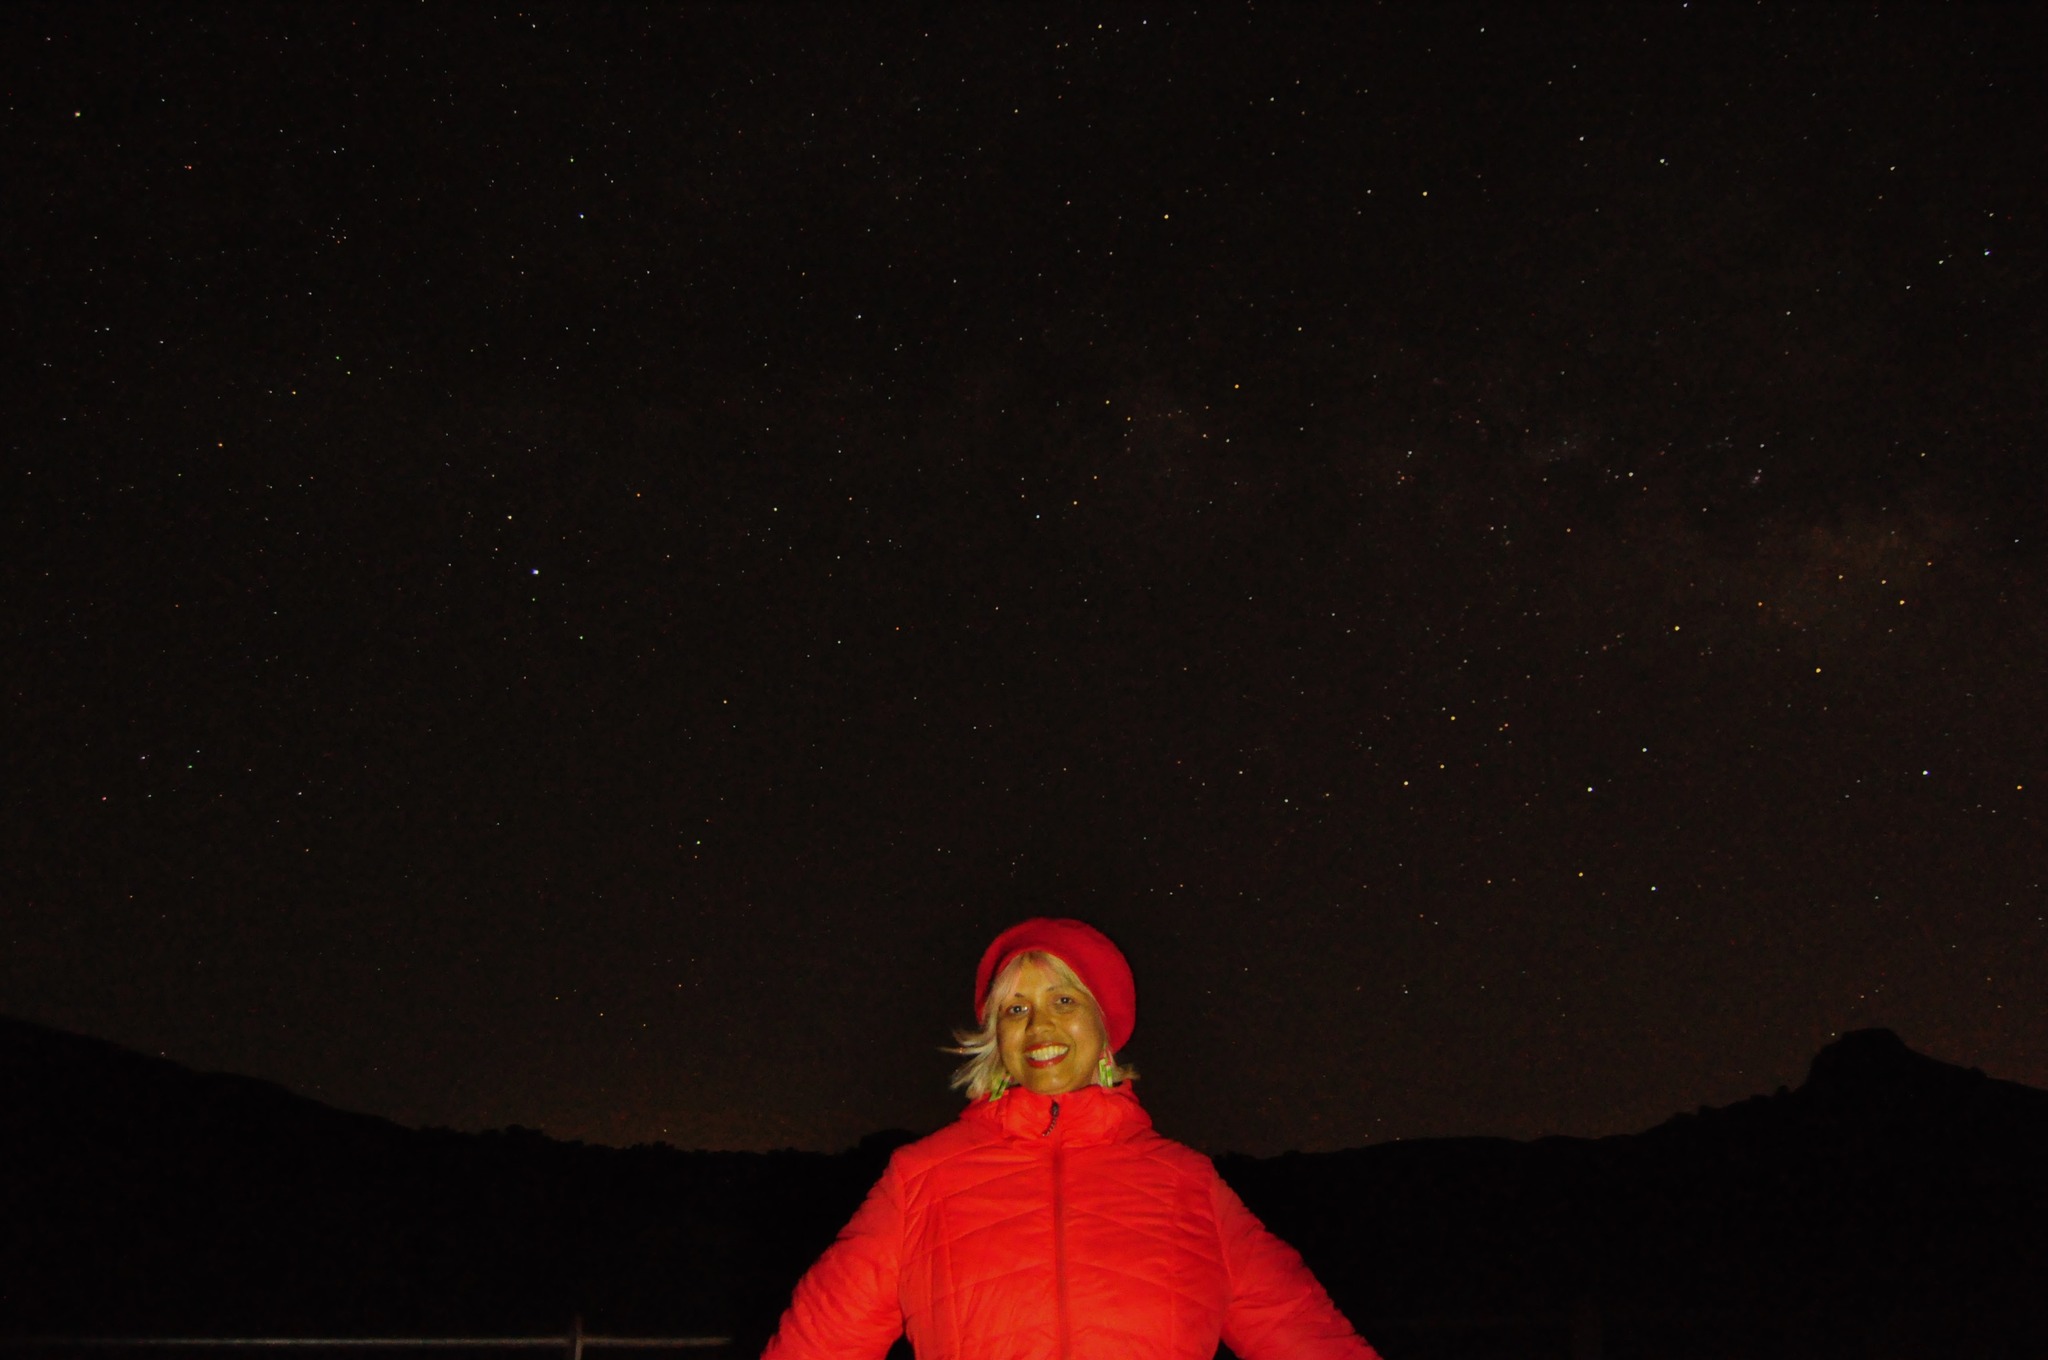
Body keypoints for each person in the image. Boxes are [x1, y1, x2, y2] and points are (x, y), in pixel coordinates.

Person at [761, 917, 1382, 1360]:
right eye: (1015, 1008)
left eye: (1064, 999)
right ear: (997, 1040)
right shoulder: (919, 1179)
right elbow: (816, 1345)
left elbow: (1305, 1334)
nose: (1040, 1025)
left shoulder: (1188, 1184)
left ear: (1104, 1027)